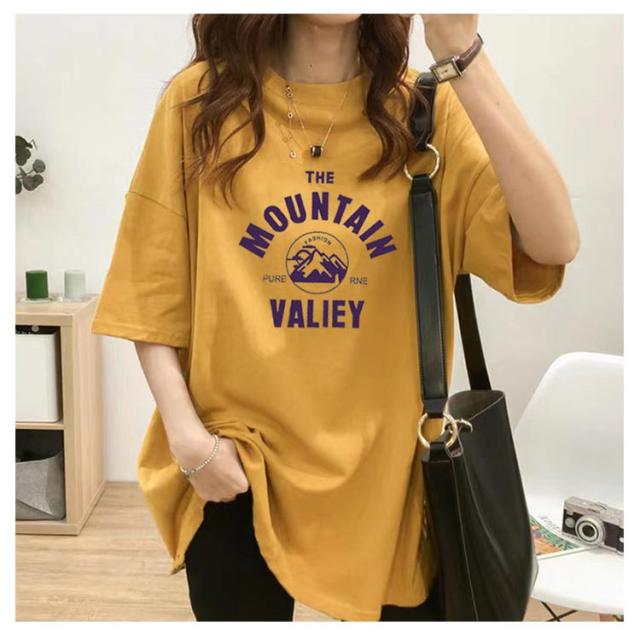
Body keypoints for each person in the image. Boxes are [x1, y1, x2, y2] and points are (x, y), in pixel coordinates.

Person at [91, 14, 579, 622]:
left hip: (389, 473)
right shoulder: (203, 102)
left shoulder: (424, 110)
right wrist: (190, 441)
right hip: (239, 457)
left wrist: (462, 53)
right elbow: (151, 287)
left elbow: (553, 244)